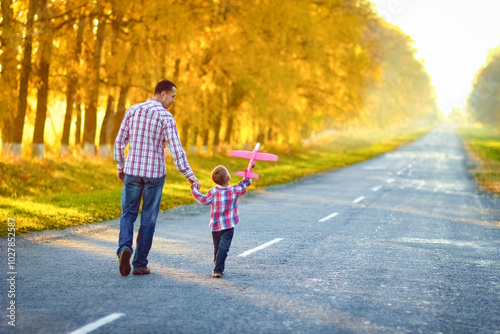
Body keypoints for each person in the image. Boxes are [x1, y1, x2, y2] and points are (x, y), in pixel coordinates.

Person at [114, 79, 200, 277]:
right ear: (163, 94)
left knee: (128, 213)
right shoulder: (166, 117)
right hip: (154, 174)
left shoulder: (133, 110)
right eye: (172, 96)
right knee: (148, 219)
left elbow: (119, 142)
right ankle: (139, 264)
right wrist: (189, 175)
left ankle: (124, 248)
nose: (173, 101)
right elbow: (177, 151)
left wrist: (121, 166)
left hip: (133, 171)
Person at [190, 164, 253, 278]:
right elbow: (244, 185)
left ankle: (217, 268)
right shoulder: (233, 190)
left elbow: (203, 199)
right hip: (228, 226)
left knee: (217, 248)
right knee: (223, 249)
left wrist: (194, 190)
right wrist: (249, 170)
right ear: (228, 177)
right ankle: (218, 269)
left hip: (215, 226)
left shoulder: (213, 191)